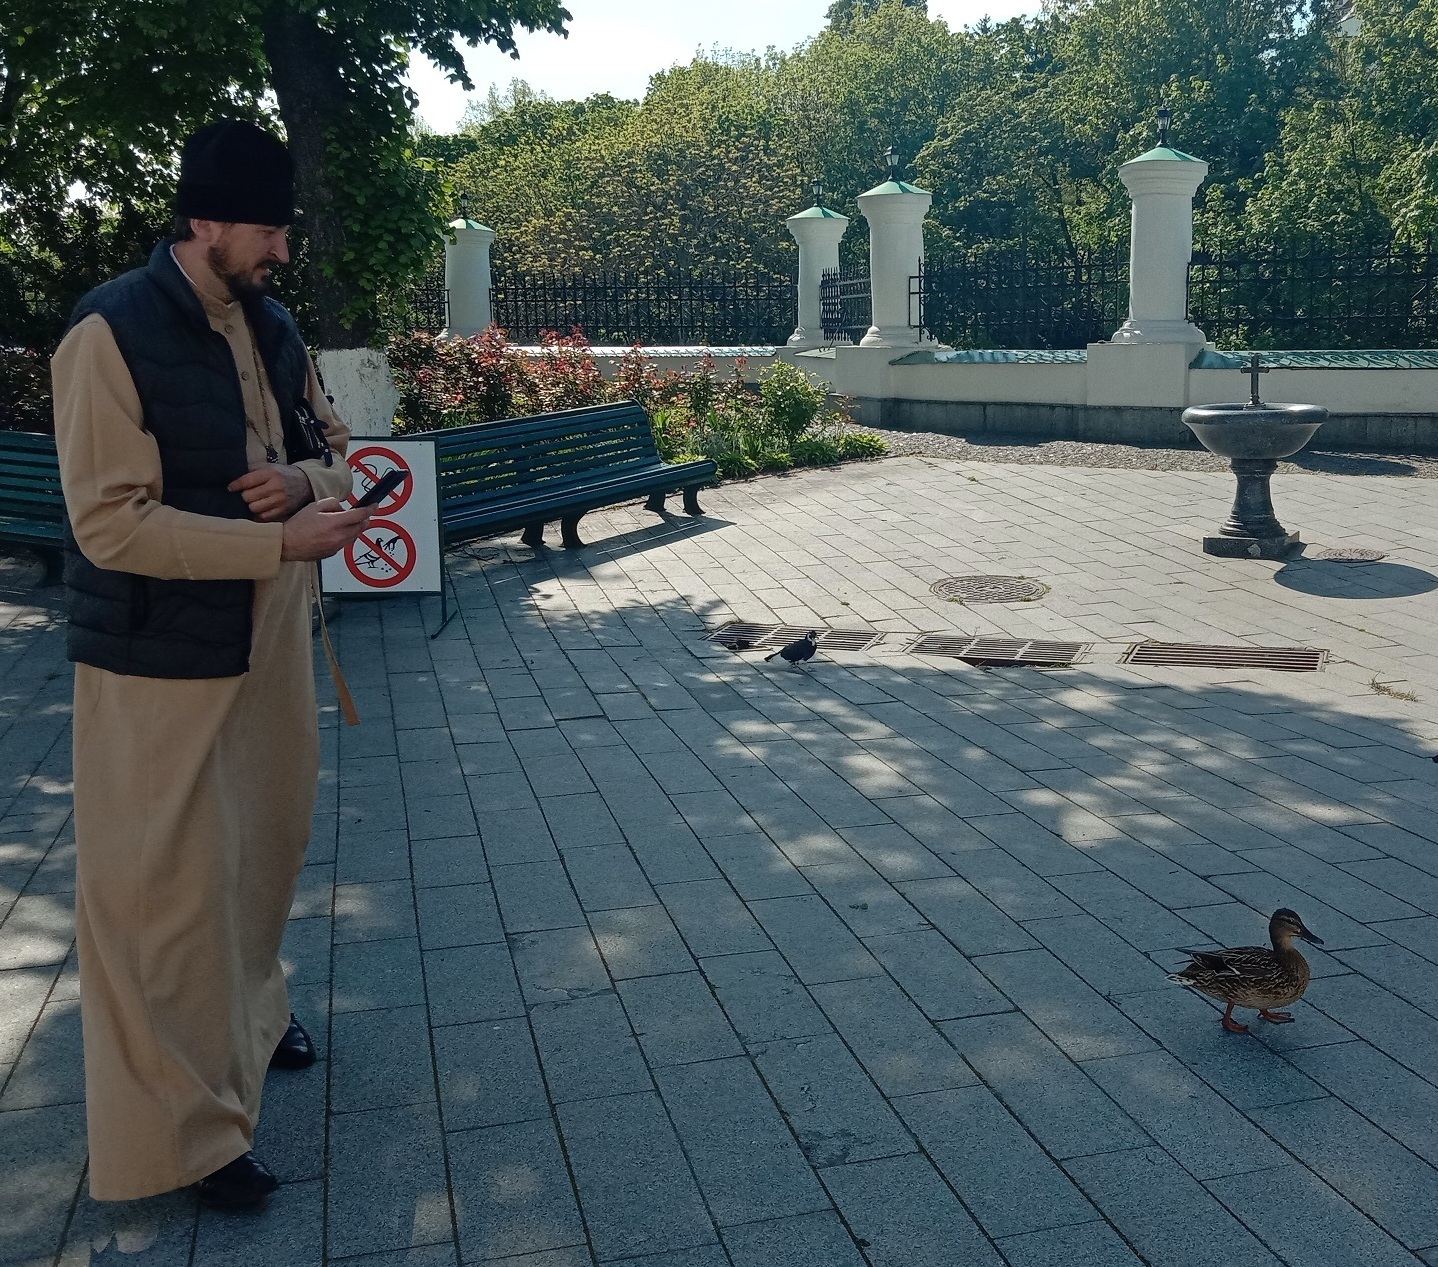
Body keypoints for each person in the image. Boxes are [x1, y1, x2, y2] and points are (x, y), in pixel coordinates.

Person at [51, 119, 374, 1208]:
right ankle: (182, 1139)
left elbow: (342, 459)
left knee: (263, 853)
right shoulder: (108, 331)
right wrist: (272, 540)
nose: (282, 250)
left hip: (272, 640)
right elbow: (108, 524)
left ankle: (254, 1023)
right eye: (266, 230)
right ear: (204, 221)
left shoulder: (273, 325)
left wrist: (303, 486)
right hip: (157, 662)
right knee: (167, 900)